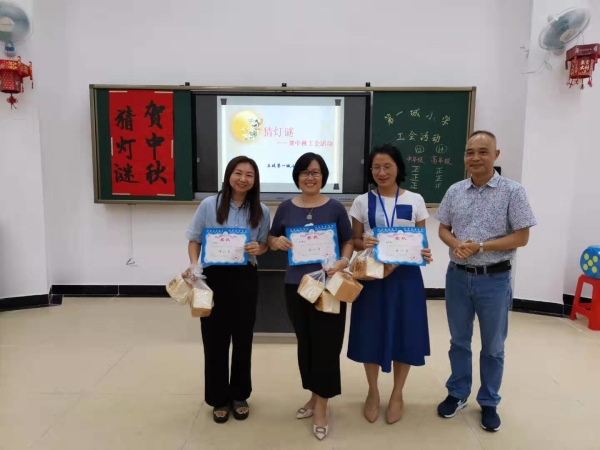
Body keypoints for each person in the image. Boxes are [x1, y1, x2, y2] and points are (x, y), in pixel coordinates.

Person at [435, 130, 536, 432]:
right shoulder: (455, 191)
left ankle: (489, 401)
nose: (475, 158)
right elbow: (443, 228)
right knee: (458, 340)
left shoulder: (513, 191)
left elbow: (521, 237)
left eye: (482, 151)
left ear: (496, 155)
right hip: (457, 277)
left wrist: (479, 246)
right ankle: (458, 392)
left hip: (494, 279)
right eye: (470, 152)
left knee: (493, 345)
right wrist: (456, 244)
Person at [268, 152, 354, 441]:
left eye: (316, 172)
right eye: (305, 172)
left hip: (329, 287)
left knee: (327, 345)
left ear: (324, 177)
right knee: (305, 343)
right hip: (297, 286)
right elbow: (271, 238)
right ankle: (314, 395)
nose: (310, 177)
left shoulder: (335, 208)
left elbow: (348, 240)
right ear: (297, 176)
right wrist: (277, 241)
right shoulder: (285, 208)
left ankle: (322, 407)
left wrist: (343, 261)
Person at [347, 144, 432, 424]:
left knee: (405, 332)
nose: (381, 172)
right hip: (372, 276)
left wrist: (425, 252)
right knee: (370, 331)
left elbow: (421, 240)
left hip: (406, 278)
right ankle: (373, 392)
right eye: (376, 167)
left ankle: (397, 394)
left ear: (398, 168)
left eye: (387, 166)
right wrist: (364, 242)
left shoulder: (416, 200)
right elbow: (354, 240)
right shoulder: (362, 201)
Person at [185, 156, 271, 424]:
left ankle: (240, 395)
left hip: (245, 276)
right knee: (214, 339)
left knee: (243, 338)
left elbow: (264, 244)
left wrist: (259, 248)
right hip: (213, 277)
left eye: (249, 175)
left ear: (255, 180)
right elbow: (194, 239)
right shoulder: (209, 205)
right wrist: (194, 265)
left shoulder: (262, 210)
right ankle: (218, 397)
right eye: (238, 173)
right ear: (229, 175)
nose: (243, 179)